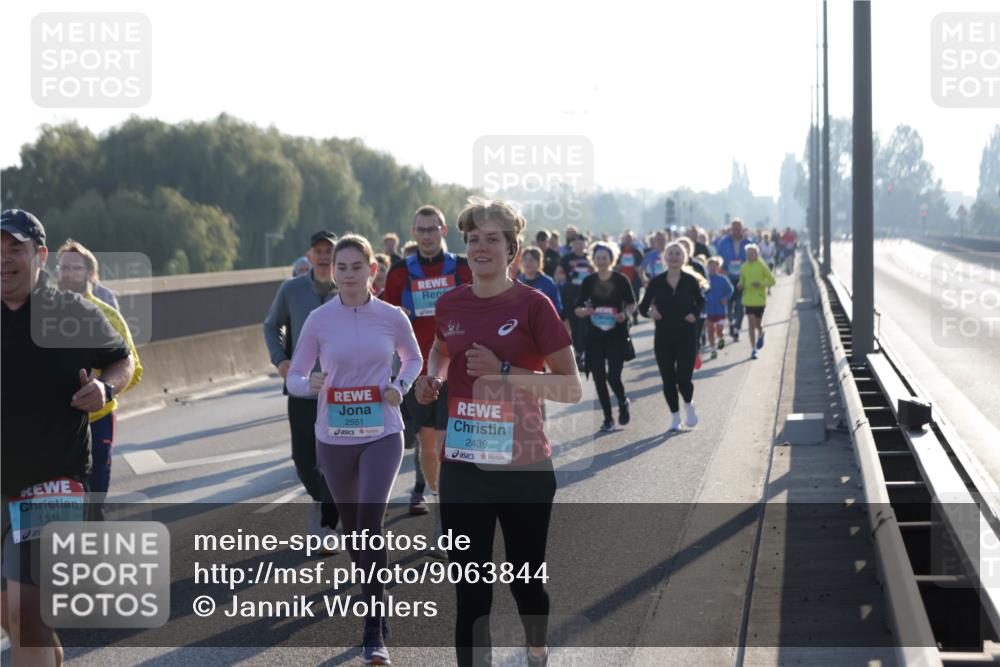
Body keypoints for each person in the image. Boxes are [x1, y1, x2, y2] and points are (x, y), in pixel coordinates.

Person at [415, 197, 581, 667]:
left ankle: (537, 648)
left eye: (492, 239)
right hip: (464, 465)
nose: (481, 247)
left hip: (524, 466)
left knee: (525, 581)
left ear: (512, 248)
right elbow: (442, 351)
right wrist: (434, 380)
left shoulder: (535, 305)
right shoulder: (450, 302)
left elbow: (570, 387)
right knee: (470, 590)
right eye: (473, 239)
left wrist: (503, 371)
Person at [2, 209, 135, 667]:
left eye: (14, 248)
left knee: (26, 610)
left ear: (39, 255)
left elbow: (122, 361)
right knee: (17, 621)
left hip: (53, 481)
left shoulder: (71, 311)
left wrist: (105, 387)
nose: (4, 258)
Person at [287, 234, 421, 665]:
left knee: (370, 520)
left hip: (382, 431)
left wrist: (399, 387)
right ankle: (376, 599)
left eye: (355, 267)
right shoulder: (319, 319)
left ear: (371, 270)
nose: (346, 274)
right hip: (335, 436)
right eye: (339, 268)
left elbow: (413, 359)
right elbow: (294, 375)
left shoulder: (392, 316)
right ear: (332, 271)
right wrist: (307, 383)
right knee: (354, 531)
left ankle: (372, 626)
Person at [383, 205, 473, 515]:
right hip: (416, 371)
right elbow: (384, 319)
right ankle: (439, 509)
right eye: (420, 230)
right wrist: (400, 318)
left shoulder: (462, 268)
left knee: (452, 446)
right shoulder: (399, 272)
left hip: (457, 370)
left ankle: (452, 513)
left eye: (432, 229)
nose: (426, 235)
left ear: (443, 231)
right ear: (413, 233)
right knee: (430, 448)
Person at [263, 230, 341, 546]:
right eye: (318, 250)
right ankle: (323, 499)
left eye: (329, 250)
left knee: (337, 457)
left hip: (342, 392)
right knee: (303, 458)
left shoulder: (351, 289)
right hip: (303, 387)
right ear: (309, 256)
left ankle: (326, 520)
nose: (324, 256)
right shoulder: (292, 289)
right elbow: (271, 325)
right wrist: (281, 360)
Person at [55, 240, 144, 506]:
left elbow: (134, 368)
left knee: (93, 497)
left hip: (97, 419)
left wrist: (104, 387)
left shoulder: (108, 316)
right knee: (53, 498)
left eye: (75, 268)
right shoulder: (41, 313)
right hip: (55, 421)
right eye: (62, 268)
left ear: (92, 274)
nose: (68, 273)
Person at [638, 241, 707, 432]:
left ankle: (688, 404)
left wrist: (694, 312)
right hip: (663, 337)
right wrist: (651, 312)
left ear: (683, 258)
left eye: (678, 254)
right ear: (665, 258)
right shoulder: (657, 282)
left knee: (684, 379)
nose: (674, 257)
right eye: (670, 254)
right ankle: (675, 417)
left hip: (686, 335)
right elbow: (643, 307)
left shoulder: (690, 280)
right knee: (668, 379)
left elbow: (701, 301)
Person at [574, 242, 636, 432]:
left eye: (605, 257)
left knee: (614, 377)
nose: (601, 261)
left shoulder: (620, 279)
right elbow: (577, 309)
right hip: (594, 337)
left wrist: (624, 315)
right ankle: (608, 418)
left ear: (611, 259)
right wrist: (586, 311)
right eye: (598, 257)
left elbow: (632, 304)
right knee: (599, 376)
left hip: (616, 335)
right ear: (593, 259)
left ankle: (623, 401)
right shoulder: (588, 281)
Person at [558, 234, 593, 365]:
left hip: (587, 297)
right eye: (576, 244)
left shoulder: (590, 258)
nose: (579, 246)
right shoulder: (567, 258)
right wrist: (569, 274)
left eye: (581, 243)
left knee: (585, 326)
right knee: (575, 326)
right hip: (570, 296)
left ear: (585, 245)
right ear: (572, 245)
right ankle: (579, 353)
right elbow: (557, 275)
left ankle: (584, 353)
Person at [737, 244, 776, 360]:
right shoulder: (743, 267)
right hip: (748, 299)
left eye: (752, 253)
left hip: (759, 300)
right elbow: (741, 281)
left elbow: (772, 281)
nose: (750, 255)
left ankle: (761, 332)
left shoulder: (762, 266)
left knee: (757, 324)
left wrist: (761, 284)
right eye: (748, 253)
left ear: (757, 254)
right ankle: (753, 349)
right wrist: (740, 285)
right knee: (750, 324)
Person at [716, 218, 752, 342]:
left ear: (742, 229)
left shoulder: (748, 243)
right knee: (729, 305)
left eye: (738, 229)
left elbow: (753, 260)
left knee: (740, 306)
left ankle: (737, 328)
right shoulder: (723, 242)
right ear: (731, 229)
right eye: (734, 229)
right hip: (728, 278)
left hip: (742, 278)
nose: (736, 231)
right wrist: (722, 270)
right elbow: (718, 259)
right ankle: (731, 323)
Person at [517, 247, 563, 316]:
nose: (527, 262)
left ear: (539, 263)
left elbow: (558, 308)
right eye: (525, 259)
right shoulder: (516, 282)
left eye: (531, 260)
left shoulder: (548, 283)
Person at [704, 257, 734, 358]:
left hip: (721, 309)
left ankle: (721, 338)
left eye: (715, 266)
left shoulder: (722, 279)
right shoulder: (704, 280)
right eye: (710, 266)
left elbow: (730, 290)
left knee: (719, 330)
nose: (712, 268)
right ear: (707, 267)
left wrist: (726, 298)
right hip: (709, 310)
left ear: (718, 267)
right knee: (710, 330)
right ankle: (713, 350)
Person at [616, 231, 644, 324]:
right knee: (623, 299)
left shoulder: (637, 252)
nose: (628, 241)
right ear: (623, 240)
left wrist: (638, 268)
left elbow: (641, 265)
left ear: (632, 240)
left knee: (635, 299)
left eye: (630, 239)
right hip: (622, 279)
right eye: (626, 239)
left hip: (634, 279)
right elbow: (613, 264)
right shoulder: (618, 251)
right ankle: (625, 318)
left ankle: (635, 316)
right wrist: (617, 266)